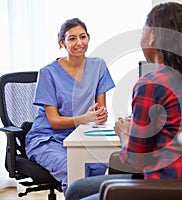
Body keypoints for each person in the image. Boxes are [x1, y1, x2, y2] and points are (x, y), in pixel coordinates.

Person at [65, 2, 182, 199]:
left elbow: (134, 161)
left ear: (152, 37)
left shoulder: (153, 82)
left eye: (144, 31)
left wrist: (125, 133)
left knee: (76, 193)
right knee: (77, 189)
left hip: (164, 184)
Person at [25, 18, 115, 193]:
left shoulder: (98, 66)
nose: (79, 42)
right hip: (47, 139)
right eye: (72, 38)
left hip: (82, 136)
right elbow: (54, 121)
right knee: (73, 168)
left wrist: (100, 115)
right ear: (62, 43)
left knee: (99, 165)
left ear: (89, 37)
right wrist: (84, 118)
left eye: (83, 36)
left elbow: (99, 111)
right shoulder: (48, 73)